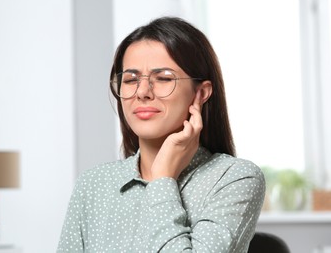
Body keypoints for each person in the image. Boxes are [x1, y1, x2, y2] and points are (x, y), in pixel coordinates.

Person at [57, 16, 265, 253]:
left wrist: (162, 179)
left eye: (164, 78)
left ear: (202, 92)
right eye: (130, 79)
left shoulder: (235, 178)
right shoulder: (93, 184)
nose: (142, 92)